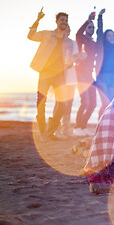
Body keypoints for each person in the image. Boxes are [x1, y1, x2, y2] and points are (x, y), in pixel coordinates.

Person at [28, 8, 74, 142]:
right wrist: (37, 20)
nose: (64, 22)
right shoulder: (47, 34)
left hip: (60, 75)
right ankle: (43, 132)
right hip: (45, 72)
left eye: (66, 20)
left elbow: (69, 59)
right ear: (57, 22)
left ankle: (50, 130)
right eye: (62, 20)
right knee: (41, 102)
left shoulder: (68, 42)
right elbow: (31, 36)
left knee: (63, 104)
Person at [53, 25, 87, 138]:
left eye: (68, 29)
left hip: (71, 77)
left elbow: (76, 58)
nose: (66, 31)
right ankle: (55, 129)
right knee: (59, 104)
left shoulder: (73, 43)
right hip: (60, 77)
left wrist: (80, 57)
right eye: (65, 29)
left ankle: (66, 129)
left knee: (69, 104)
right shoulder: (57, 43)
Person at [74, 11, 98, 136]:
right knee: (85, 102)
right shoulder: (81, 38)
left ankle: (83, 127)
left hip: (90, 75)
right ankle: (77, 127)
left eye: (93, 27)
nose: (92, 29)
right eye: (90, 27)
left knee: (93, 103)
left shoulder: (94, 43)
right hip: (81, 74)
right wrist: (88, 20)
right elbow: (78, 33)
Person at [95, 9, 114, 119]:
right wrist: (100, 17)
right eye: (109, 36)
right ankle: (100, 122)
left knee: (112, 103)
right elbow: (100, 32)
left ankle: (108, 123)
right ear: (105, 38)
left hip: (113, 77)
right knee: (105, 102)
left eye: (113, 35)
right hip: (102, 76)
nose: (112, 37)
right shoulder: (102, 46)